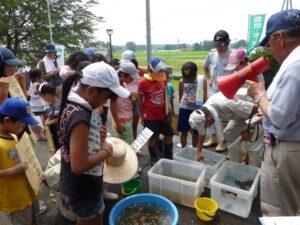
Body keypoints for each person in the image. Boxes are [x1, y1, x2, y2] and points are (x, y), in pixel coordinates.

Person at [58, 61, 129, 225]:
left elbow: (72, 139)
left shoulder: (71, 103)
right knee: (90, 218)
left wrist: (95, 134)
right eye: (107, 97)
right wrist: (106, 151)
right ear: (91, 90)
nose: (105, 103)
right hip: (84, 186)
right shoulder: (81, 117)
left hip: (75, 183)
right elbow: (79, 165)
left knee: (88, 216)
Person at [246, 9, 300, 216]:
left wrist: (260, 95)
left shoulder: (294, 66)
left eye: (269, 43)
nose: (270, 50)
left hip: (288, 149)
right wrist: (265, 112)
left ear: (281, 37)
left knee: (280, 211)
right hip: (289, 145)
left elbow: (279, 117)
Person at [0, 97, 39, 225]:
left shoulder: (13, 136)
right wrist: (10, 171)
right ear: (7, 120)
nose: (24, 126)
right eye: (22, 123)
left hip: (26, 192)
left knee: (32, 218)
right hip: (13, 199)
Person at [224, 48, 265, 166]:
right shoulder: (236, 73)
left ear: (243, 62)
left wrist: (250, 128)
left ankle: (252, 174)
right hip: (241, 111)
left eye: (236, 66)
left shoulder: (256, 73)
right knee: (229, 132)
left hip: (256, 113)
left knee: (254, 144)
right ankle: (235, 164)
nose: (235, 69)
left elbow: (259, 101)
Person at [189, 92, 258, 161]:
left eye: (207, 126)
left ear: (209, 119)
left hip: (255, 110)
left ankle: (251, 160)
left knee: (253, 144)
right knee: (229, 134)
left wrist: (250, 129)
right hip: (238, 114)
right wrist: (199, 151)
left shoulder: (225, 104)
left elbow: (257, 109)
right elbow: (202, 133)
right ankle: (236, 160)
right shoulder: (204, 111)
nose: (207, 128)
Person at [138, 57, 173, 165]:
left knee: (169, 134)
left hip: (164, 114)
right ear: (150, 70)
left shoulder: (163, 77)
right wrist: (142, 116)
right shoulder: (143, 82)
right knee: (152, 137)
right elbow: (140, 100)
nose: (160, 77)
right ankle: (153, 157)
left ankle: (168, 156)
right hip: (150, 116)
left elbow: (165, 93)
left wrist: (169, 107)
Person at [203, 30, 232, 149]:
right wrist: (208, 78)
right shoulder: (211, 54)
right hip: (213, 90)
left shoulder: (233, 55)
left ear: (228, 42)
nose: (219, 48)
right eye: (216, 45)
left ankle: (223, 141)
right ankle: (213, 137)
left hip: (226, 91)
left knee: (223, 116)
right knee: (210, 113)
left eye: (222, 45)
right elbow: (205, 67)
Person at [178, 62, 207, 148]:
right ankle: (184, 149)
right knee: (184, 131)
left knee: (195, 132)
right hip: (184, 109)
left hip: (197, 110)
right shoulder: (182, 81)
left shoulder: (202, 80)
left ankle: (194, 149)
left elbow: (204, 97)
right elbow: (180, 96)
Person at [110, 61, 139, 144]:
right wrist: (118, 124)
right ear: (123, 76)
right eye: (131, 78)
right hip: (122, 121)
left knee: (129, 141)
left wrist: (132, 96)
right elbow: (112, 107)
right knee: (126, 145)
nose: (132, 80)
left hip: (128, 118)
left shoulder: (122, 83)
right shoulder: (115, 87)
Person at [28, 69, 48, 141]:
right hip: (40, 104)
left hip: (34, 104)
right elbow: (42, 92)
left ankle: (38, 135)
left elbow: (31, 94)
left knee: (37, 120)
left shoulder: (31, 83)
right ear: (38, 77)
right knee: (46, 118)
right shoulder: (38, 84)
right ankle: (45, 134)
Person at [39, 83, 61, 151]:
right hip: (54, 132)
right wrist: (47, 120)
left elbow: (58, 119)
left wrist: (48, 122)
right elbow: (51, 114)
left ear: (47, 95)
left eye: (43, 96)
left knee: (58, 149)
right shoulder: (53, 103)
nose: (43, 98)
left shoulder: (57, 105)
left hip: (58, 133)